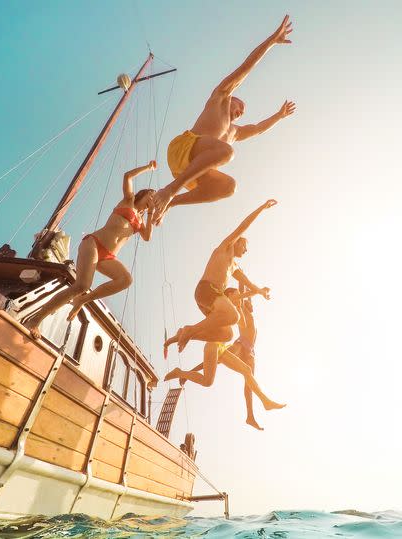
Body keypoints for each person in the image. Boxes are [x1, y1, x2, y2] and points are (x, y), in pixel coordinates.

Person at [150, 16, 296, 224]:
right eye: (240, 107)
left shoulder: (235, 132)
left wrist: (279, 116)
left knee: (229, 187)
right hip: (183, 148)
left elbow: (258, 129)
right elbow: (246, 66)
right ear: (233, 98)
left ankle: (169, 202)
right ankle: (170, 191)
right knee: (227, 152)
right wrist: (272, 40)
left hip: (190, 169)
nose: (240, 112)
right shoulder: (220, 98)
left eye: (242, 113)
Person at [25, 161, 157, 339]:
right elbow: (127, 175)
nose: (153, 198)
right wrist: (148, 168)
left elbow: (148, 236)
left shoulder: (141, 222)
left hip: (108, 257)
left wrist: (151, 213)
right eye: (152, 194)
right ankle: (34, 321)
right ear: (146, 193)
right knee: (82, 285)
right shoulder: (129, 200)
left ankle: (83, 300)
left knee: (125, 280)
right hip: (93, 243)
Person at [163, 199, 276, 355]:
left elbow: (247, 283)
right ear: (238, 242)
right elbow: (244, 226)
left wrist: (260, 292)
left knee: (226, 334)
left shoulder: (234, 267)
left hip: (210, 300)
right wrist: (262, 208)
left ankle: (185, 334)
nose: (246, 251)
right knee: (233, 316)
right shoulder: (225, 248)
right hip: (206, 289)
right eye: (245, 246)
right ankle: (190, 330)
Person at [182, 289, 269, 430]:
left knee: (249, 383)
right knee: (217, 360)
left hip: (251, 352)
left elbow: (249, 297)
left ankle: (250, 416)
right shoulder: (241, 310)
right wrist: (246, 287)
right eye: (248, 302)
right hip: (241, 344)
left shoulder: (250, 312)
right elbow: (243, 292)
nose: (251, 304)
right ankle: (191, 371)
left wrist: (253, 292)